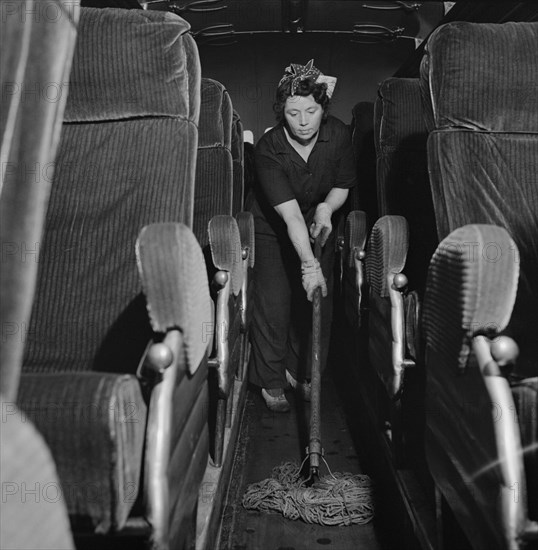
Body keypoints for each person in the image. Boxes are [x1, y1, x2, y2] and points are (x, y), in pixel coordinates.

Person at [248, 60, 357, 412]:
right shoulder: (269, 148)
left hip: (318, 218)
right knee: (276, 302)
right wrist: (308, 264)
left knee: (316, 300)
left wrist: (326, 210)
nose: (304, 121)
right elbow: (291, 215)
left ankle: (304, 372)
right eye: (294, 113)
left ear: (323, 108)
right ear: (283, 114)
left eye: (311, 110)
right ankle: (272, 380)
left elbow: (341, 186)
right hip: (273, 224)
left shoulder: (338, 134)